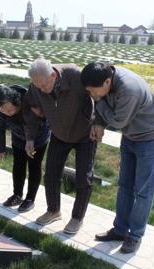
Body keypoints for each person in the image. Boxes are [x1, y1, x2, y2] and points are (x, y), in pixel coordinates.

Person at [81, 62, 154, 254]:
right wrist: (99, 121)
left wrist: (100, 104)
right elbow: (105, 108)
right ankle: (120, 230)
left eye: (94, 92)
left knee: (143, 191)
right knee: (125, 185)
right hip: (130, 137)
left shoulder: (129, 90)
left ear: (107, 82)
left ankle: (135, 236)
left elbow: (119, 121)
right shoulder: (104, 79)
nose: (92, 96)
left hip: (149, 139)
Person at [24, 59, 96, 234]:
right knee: (51, 175)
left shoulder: (76, 76)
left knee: (83, 179)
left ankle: (77, 218)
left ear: (53, 76)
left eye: (43, 85)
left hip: (85, 134)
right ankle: (53, 210)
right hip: (58, 133)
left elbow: (99, 97)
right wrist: (30, 138)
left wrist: (99, 124)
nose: (40, 89)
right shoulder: (36, 86)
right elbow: (32, 110)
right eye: (37, 86)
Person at [0, 85, 50, 212]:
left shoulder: (29, 102)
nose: (7, 114)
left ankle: (30, 199)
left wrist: (31, 141)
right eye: (3, 111)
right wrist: (0, 148)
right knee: (18, 164)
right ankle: (17, 195)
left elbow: (37, 123)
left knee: (34, 165)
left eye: (9, 110)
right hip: (18, 136)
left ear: (17, 103)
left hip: (38, 136)